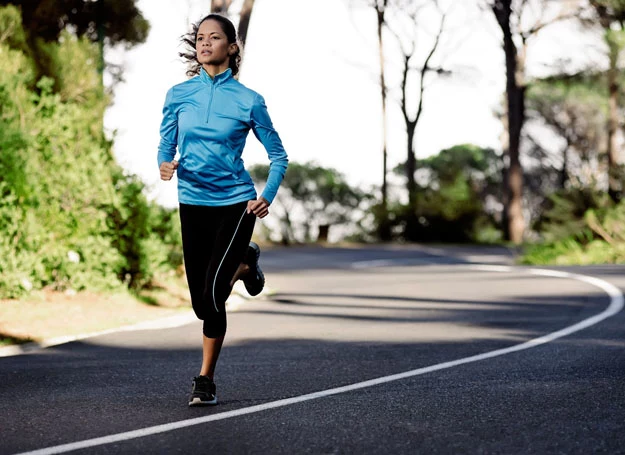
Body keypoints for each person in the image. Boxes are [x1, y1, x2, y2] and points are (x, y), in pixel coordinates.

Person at [157, 13, 288, 407]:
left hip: (235, 203)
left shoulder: (249, 100)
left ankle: (205, 379)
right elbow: (166, 145)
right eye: (200, 37)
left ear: (232, 48)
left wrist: (268, 193)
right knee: (200, 303)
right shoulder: (178, 94)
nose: (205, 43)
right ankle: (245, 263)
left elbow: (278, 156)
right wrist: (165, 165)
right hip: (192, 202)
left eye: (214, 38)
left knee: (213, 295)